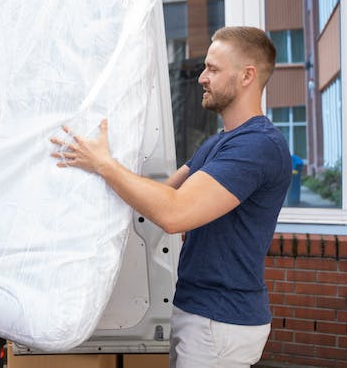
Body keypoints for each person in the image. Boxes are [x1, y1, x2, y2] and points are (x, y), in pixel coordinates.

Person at [51, 26, 291, 367]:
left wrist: (105, 165)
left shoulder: (257, 146)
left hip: (220, 321)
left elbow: (174, 212)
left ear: (247, 76)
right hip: (199, 311)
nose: (202, 78)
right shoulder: (219, 143)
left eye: (213, 68)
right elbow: (165, 194)